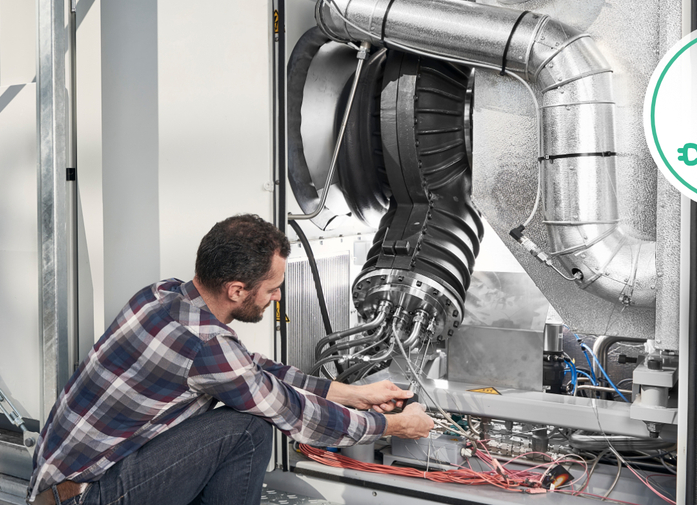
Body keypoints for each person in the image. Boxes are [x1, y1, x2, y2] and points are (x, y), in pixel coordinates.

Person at [28, 214, 435, 505]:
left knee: (244, 413)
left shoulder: (162, 294)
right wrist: (393, 425)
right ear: (237, 291)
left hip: (59, 485)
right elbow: (293, 415)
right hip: (90, 498)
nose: (277, 298)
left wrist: (348, 393)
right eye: (272, 289)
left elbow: (249, 366)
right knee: (249, 427)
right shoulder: (207, 345)